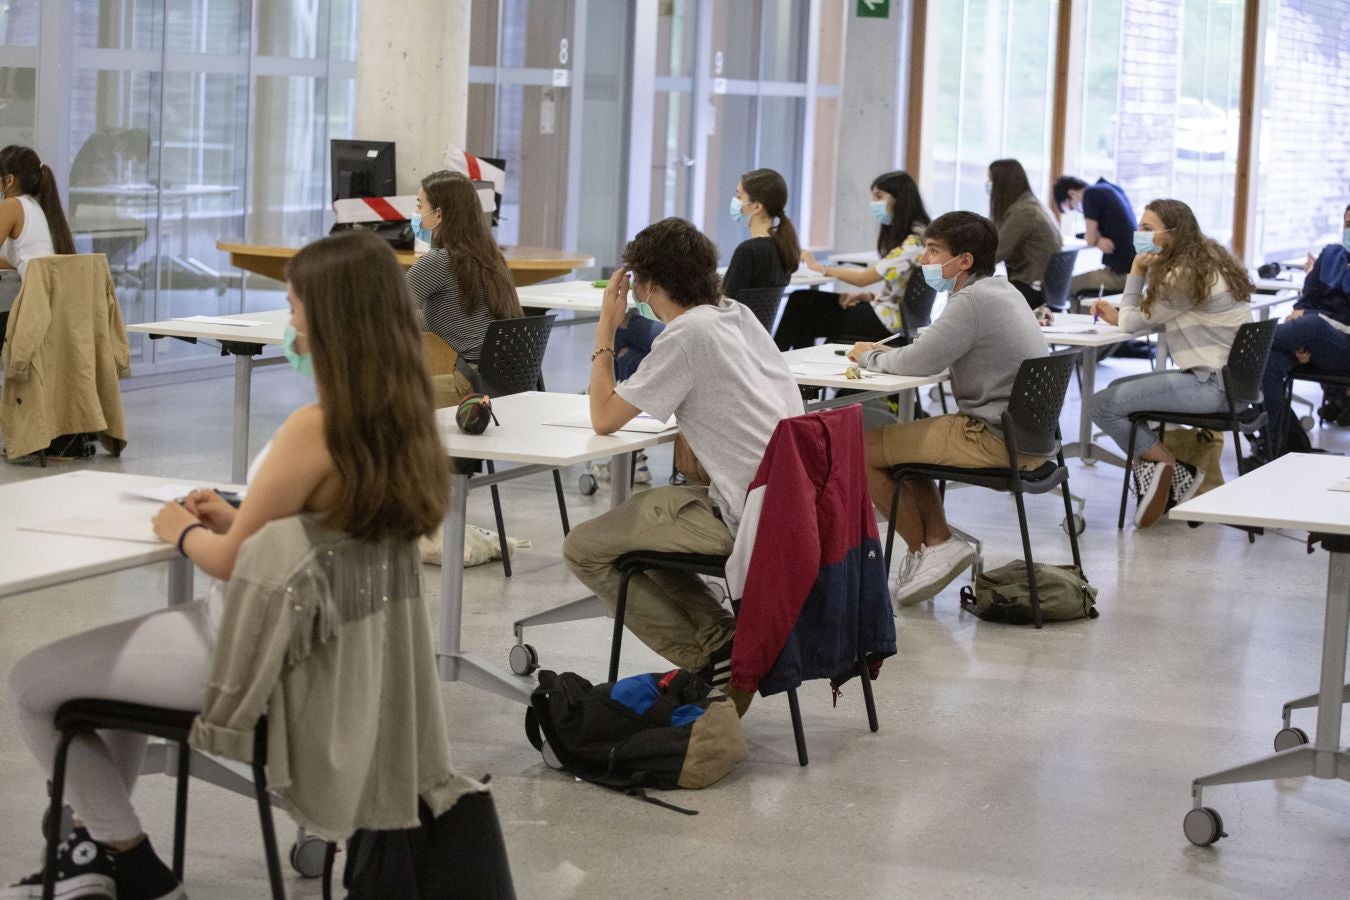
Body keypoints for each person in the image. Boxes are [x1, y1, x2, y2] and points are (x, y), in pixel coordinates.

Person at [4, 231, 451, 900]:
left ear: (328, 317)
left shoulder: (314, 427)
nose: (289, 321)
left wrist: (183, 530)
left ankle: (127, 857)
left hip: (254, 650)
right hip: (324, 654)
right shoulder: (404, 422)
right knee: (115, 678)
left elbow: (232, 562)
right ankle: (91, 847)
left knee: (31, 683)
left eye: (295, 306)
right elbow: (304, 533)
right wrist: (236, 516)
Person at [563, 217, 803, 709]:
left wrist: (606, 327)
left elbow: (604, 417)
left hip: (747, 516)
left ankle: (709, 654)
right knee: (644, 526)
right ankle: (721, 638)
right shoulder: (735, 314)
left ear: (646, 285)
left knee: (585, 547)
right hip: (785, 505)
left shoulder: (685, 336)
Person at [846, 211, 1051, 607]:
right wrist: (901, 354)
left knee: (858, 449)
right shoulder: (1002, 291)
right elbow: (933, 355)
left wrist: (868, 356)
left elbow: (918, 364)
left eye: (934, 250)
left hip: (990, 437)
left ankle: (934, 546)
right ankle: (937, 543)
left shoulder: (971, 301)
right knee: (901, 450)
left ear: (965, 261)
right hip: (1025, 436)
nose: (924, 259)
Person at [1090, 199, 1254, 527]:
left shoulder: (1182, 274)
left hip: (1210, 387)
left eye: (1147, 229)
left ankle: (1169, 465)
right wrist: (1125, 317)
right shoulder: (1209, 260)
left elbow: (1135, 324)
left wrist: (1137, 272)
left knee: (1101, 405)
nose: (1139, 234)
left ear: (1174, 234)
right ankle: (1164, 473)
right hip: (1230, 383)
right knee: (1117, 388)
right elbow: (1154, 318)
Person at [613, 169, 800, 382]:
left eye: (739, 197)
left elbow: (719, 304)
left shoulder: (749, 251)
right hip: (747, 343)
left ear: (756, 207)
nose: (735, 202)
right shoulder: (783, 248)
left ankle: (602, 398)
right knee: (630, 354)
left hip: (716, 341)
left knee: (624, 323)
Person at [406, 169, 522, 407]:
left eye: (420, 206)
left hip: (470, 384)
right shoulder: (489, 257)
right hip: (504, 380)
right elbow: (448, 319)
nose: (416, 214)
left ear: (438, 214)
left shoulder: (439, 260)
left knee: (380, 397)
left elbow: (387, 311)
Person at [780, 170, 930, 350]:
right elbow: (900, 291)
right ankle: (794, 371)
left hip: (891, 324)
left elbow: (862, 279)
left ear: (899, 199)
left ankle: (776, 362)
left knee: (803, 305)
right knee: (804, 304)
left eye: (879, 197)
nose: (874, 203)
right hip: (892, 316)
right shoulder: (917, 236)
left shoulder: (913, 242)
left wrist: (818, 266)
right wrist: (868, 297)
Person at [1259, 203, 1350, 444]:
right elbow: (1307, 300)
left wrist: (1312, 318)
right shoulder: (1331, 254)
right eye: (1348, 224)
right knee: (1268, 362)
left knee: (1311, 326)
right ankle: (1278, 446)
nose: (1349, 230)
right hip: (1312, 340)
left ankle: (1240, 341)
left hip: (1343, 346)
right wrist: (1301, 340)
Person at [0, 145, 76, 347]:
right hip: (56, 310)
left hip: (34, 314)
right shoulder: (39, 207)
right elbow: (23, 259)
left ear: (8, 180)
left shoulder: (12, 205)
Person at [988, 159, 1062, 309]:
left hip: (1032, 287)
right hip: (1043, 285)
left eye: (991, 179)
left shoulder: (1024, 212)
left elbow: (996, 252)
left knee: (979, 300)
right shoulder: (1031, 204)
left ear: (1002, 184)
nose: (988, 185)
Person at [1054, 174, 1138, 301]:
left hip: (1120, 275)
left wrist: (1096, 239)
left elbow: (1090, 239)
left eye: (1072, 207)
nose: (1078, 211)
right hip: (1136, 272)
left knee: (1062, 285)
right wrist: (1097, 239)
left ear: (1072, 194)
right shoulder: (1110, 187)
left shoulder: (1090, 194)